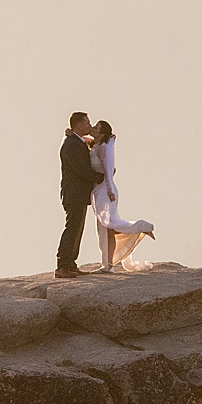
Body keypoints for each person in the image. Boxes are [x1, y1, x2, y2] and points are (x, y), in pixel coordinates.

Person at [91, 118, 154, 269]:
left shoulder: (103, 149)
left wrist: (109, 190)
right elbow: (84, 139)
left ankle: (141, 226)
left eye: (95, 128)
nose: (92, 128)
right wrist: (70, 133)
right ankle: (108, 264)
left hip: (106, 191)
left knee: (108, 226)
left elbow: (108, 171)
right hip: (99, 190)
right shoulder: (96, 145)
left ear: (101, 134)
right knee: (105, 228)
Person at [55, 110, 99, 278]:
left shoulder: (76, 141)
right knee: (72, 228)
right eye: (87, 123)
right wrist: (99, 177)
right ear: (80, 125)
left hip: (77, 194)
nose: (90, 125)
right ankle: (63, 264)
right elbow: (80, 169)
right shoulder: (72, 144)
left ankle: (70, 263)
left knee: (77, 228)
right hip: (73, 194)